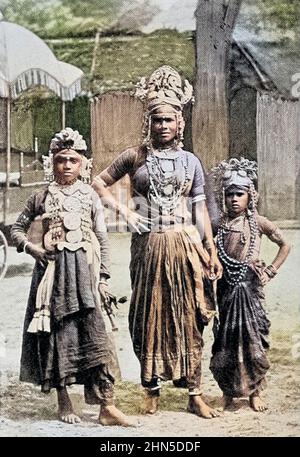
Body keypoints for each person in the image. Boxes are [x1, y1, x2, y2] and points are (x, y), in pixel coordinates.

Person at [92, 66, 223, 419]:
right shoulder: (135, 156)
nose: (163, 125)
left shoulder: (191, 161)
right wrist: (124, 211)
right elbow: (98, 182)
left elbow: (200, 211)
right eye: (157, 119)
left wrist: (210, 249)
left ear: (180, 123)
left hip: (183, 245)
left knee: (189, 316)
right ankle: (150, 389)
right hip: (148, 247)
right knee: (148, 315)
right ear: (148, 122)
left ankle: (194, 392)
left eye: (169, 120)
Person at [11, 128, 135, 426]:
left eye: (73, 160)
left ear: (84, 164)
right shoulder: (40, 197)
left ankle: (107, 406)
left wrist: (103, 278)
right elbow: (16, 229)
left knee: (97, 335)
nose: (67, 165)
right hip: (53, 279)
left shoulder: (91, 197)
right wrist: (33, 248)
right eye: (60, 160)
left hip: (86, 275)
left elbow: (103, 239)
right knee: (59, 334)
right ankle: (64, 401)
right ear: (51, 163)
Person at [209, 157, 291, 412]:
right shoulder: (218, 225)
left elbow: (285, 244)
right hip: (226, 290)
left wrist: (271, 270)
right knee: (226, 343)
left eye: (240, 194)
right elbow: (205, 248)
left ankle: (255, 391)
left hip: (251, 291)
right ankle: (229, 392)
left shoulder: (258, 223)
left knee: (253, 343)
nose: (234, 199)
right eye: (230, 194)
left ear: (250, 196)